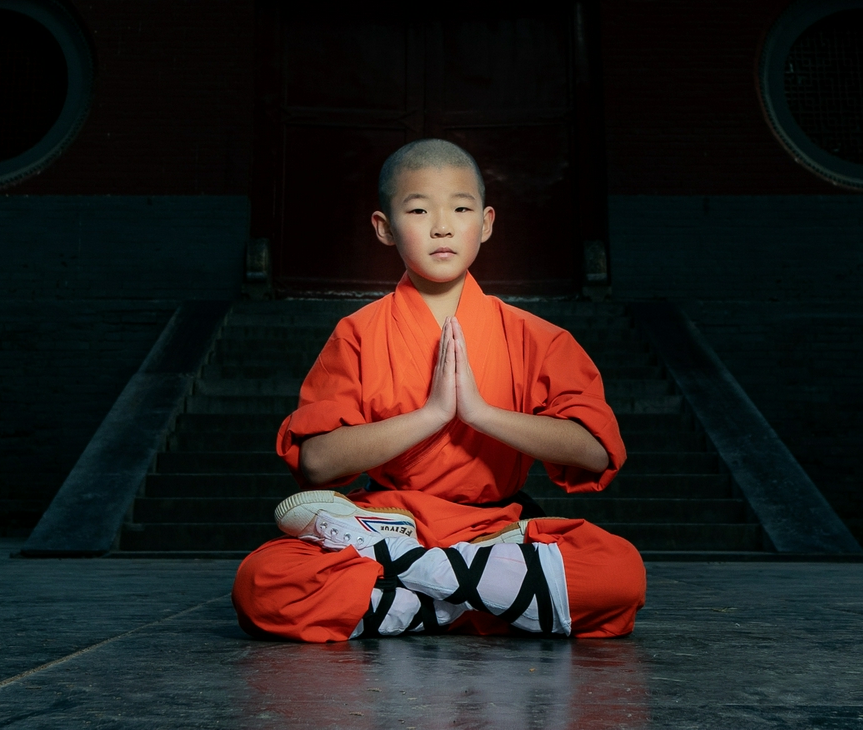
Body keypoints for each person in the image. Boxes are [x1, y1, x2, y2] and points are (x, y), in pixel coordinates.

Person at [231, 139, 646, 641]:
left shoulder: (536, 337)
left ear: (487, 223)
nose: (442, 225)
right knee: (263, 583)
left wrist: (480, 413)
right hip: (387, 518)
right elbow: (317, 463)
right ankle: (483, 599)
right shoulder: (358, 333)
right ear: (385, 228)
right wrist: (431, 414)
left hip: (498, 531)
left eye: (461, 208)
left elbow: (596, 451)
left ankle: (413, 588)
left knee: (620, 575)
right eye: (419, 209)